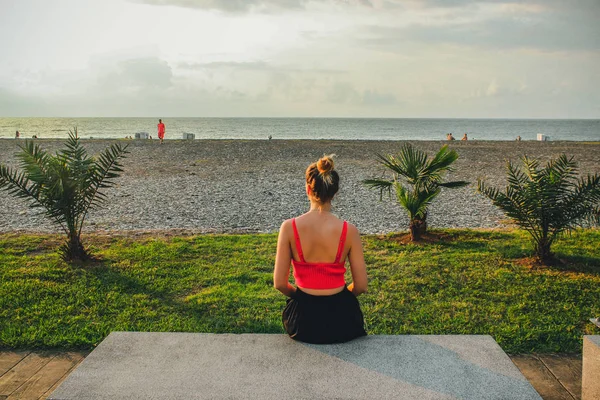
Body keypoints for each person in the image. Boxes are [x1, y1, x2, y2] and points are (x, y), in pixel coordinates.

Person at [273, 155, 368, 344]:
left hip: (303, 323)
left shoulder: (289, 228)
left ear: (308, 189)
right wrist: (342, 297)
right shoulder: (349, 231)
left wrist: (302, 297)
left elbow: (280, 283)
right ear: (334, 193)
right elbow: (361, 286)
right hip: (342, 322)